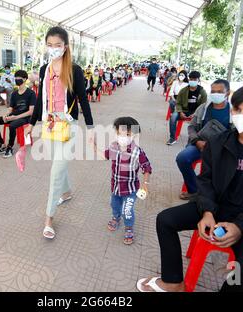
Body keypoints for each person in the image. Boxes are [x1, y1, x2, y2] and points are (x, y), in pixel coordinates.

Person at [137, 85, 243, 292]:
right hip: (219, 208)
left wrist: (240, 227)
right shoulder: (218, 143)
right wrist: (207, 211)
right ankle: (173, 282)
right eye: (236, 109)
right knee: (165, 220)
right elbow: (205, 181)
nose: (241, 115)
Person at [26, 26, 94, 240]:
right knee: (59, 162)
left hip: (69, 125)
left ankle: (48, 220)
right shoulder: (45, 68)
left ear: (65, 47)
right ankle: (66, 193)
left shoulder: (74, 69)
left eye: (57, 45)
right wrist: (31, 123)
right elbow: (40, 100)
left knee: (55, 171)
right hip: (50, 124)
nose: (53, 49)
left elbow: (83, 99)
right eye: (49, 45)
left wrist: (91, 128)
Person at [90, 117, 152, 245]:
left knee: (127, 210)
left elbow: (146, 167)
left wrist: (145, 184)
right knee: (114, 205)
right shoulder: (113, 147)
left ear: (134, 135)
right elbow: (104, 156)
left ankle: (129, 227)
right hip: (116, 187)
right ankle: (116, 218)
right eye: (120, 133)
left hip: (130, 189)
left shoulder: (137, 151)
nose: (123, 136)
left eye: (127, 134)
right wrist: (93, 146)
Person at [177, 79, 234, 201]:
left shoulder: (233, 112)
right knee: (182, 158)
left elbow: (237, 135)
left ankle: (215, 194)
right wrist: (197, 141)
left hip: (223, 148)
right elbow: (192, 127)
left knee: (225, 166)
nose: (215, 94)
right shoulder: (203, 108)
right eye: (213, 91)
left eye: (219, 91)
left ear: (227, 93)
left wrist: (220, 146)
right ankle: (194, 190)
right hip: (200, 144)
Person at [0, 70, 36, 158]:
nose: (17, 80)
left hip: (25, 117)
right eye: (16, 78)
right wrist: (6, 115)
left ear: (25, 79)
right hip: (14, 115)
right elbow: (10, 108)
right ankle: (2, 145)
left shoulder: (31, 93)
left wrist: (15, 117)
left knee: (12, 125)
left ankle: (10, 147)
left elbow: (31, 112)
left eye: (19, 78)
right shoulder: (14, 93)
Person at [167, 71, 207, 145]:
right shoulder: (183, 90)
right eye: (191, 79)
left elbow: (203, 106)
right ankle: (172, 138)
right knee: (173, 117)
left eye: (195, 80)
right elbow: (178, 103)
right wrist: (180, 112)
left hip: (196, 113)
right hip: (184, 111)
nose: (193, 81)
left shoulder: (202, 92)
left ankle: (196, 139)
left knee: (202, 121)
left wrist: (195, 114)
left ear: (198, 80)